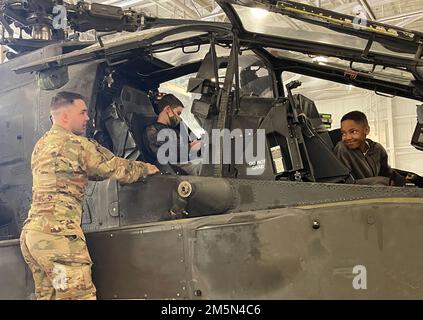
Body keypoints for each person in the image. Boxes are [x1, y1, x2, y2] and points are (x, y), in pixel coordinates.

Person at [20, 91, 159, 300]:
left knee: (49, 297)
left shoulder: (41, 145)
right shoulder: (76, 144)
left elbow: (80, 173)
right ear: (65, 116)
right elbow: (112, 168)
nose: (87, 118)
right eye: (82, 112)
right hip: (58, 238)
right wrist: (145, 169)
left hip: (34, 236)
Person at [334, 110, 404, 186]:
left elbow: (386, 173)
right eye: (343, 133)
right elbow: (343, 183)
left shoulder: (377, 149)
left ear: (366, 130)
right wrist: (380, 181)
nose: (347, 137)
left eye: (353, 132)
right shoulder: (342, 149)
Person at [143, 94, 201, 175]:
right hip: (174, 170)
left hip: (185, 164)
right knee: (206, 166)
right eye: (178, 113)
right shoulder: (152, 131)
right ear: (167, 109)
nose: (179, 118)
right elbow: (166, 152)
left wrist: (193, 145)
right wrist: (190, 147)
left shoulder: (175, 130)